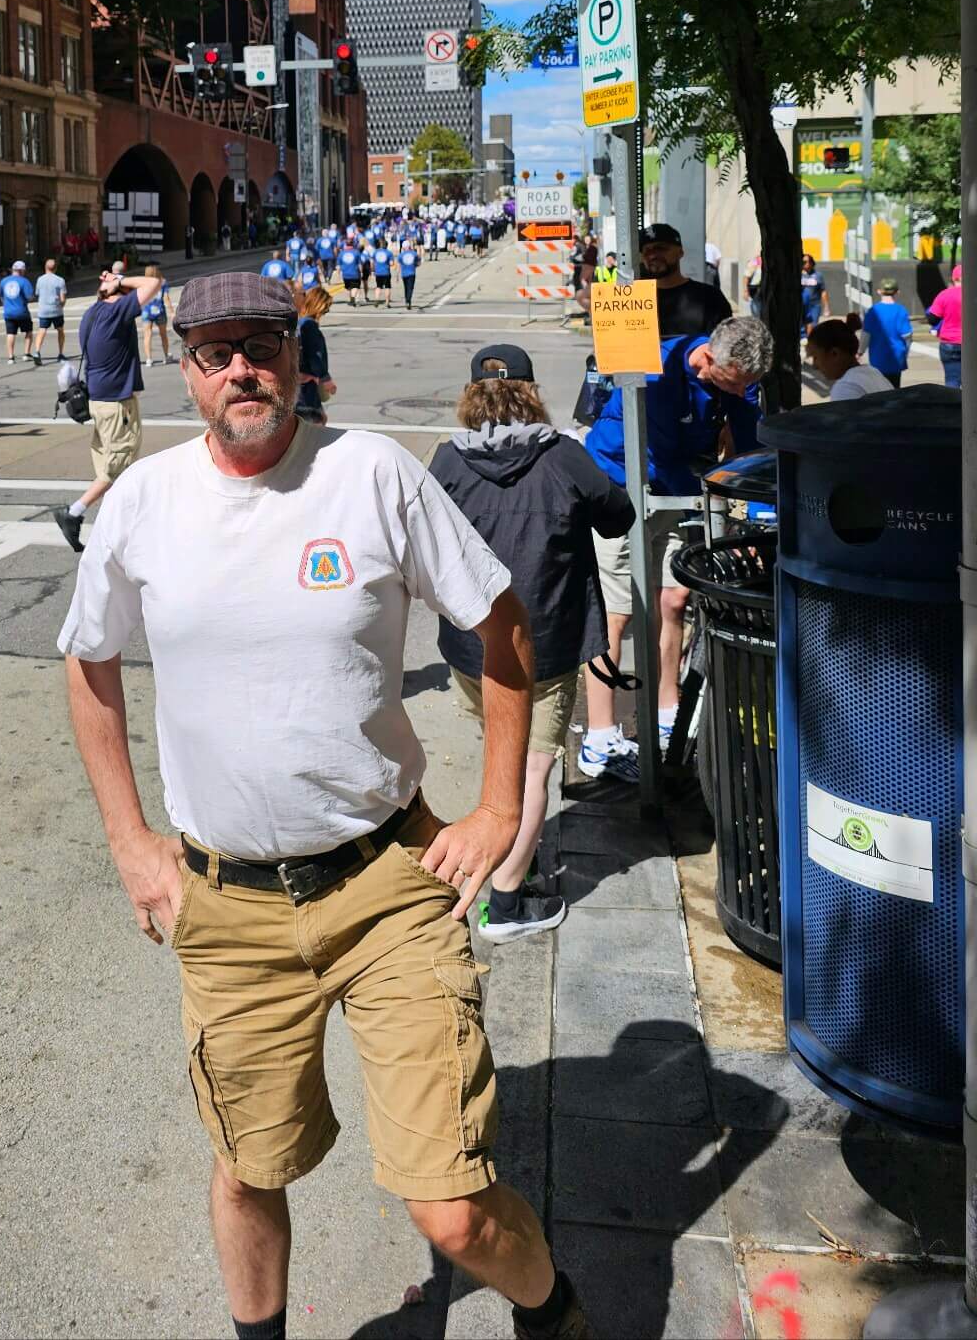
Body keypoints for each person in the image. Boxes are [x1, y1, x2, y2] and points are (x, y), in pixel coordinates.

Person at [59, 270, 590, 1340]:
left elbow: (502, 623)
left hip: (388, 882)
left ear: (298, 357)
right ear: (186, 371)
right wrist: (129, 838)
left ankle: (557, 1311)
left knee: (450, 1209)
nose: (241, 367)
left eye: (261, 344)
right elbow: (88, 661)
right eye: (215, 352)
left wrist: (495, 810)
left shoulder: (371, 474)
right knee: (249, 1168)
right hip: (230, 905)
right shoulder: (142, 503)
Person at [429, 347, 633, 942]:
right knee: (532, 770)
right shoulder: (563, 456)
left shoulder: (445, 461)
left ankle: (505, 851)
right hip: (545, 639)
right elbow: (617, 515)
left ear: (471, 398)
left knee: (501, 751)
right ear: (531, 391)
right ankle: (507, 899)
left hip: (473, 643)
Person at [581, 316, 773, 781]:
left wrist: (755, 497)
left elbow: (748, 438)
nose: (737, 392)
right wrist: (713, 492)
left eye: (746, 385)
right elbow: (658, 455)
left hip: (677, 488)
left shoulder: (738, 375)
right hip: (621, 484)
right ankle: (600, 733)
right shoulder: (657, 368)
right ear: (708, 357)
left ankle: (668, 704)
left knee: (676, 597)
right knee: (617, 610)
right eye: (732, 384)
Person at [52, 263, 164, 553]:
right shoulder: (116, 312)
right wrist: (120, 280)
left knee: (110, 467)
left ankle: (119, 527)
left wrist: (112, 285)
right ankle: (74, 512)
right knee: (118, 469)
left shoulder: (92, 314)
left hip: (99, 401)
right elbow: (154, 284)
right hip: (117, 404)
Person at [637, 224, 732, 340]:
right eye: (646, 251)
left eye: (660, 248)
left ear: (680, 252)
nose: (652, 255)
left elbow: (725, 348)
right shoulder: (632, 300)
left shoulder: (710, 298)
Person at [807, 317, 895, 400]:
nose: (814, 366)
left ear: (835, 354)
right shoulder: (873, 372)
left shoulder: (846, 388)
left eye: (815, 357)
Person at [294, 281, 336, 424]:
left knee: (314, 419)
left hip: (303, 379)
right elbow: (314, 354)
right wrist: (325, 378)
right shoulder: (309, 325)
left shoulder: (300, 323)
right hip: (308, 381)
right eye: (326, 308)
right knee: (316, 420)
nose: (326, 312)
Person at [861, 278, 912, 386]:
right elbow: (907, 335)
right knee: (895, 389)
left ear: (879, 291)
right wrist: (905, 353)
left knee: (879, 389)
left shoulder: (873, 311)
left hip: (877, 359)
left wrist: (860, 351)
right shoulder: (901, 310)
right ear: (897, 292)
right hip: (896, 358)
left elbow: (866, 335)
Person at [928, 263, 964, 387]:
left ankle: (953, 405)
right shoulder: (976, 295)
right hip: (971, 344)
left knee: (952, 380)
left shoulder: (944, 295)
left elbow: (932, 319)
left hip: (948, 343)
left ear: (954, 279)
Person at [0, 260, 36, 365]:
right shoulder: (24, 281)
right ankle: (26, 354)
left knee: (10, 333)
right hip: (22, 312)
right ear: (22, 270)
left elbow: (1, 295)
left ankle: (11, 357)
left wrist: (5, 304)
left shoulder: (4, 281)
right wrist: (31, 298)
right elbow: (29, 297)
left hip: (8, 312)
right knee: (28, 331)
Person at [33, 257, 68, 362]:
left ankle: (37, 351)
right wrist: (61, 305)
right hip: (56, 309)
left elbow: (37, 294)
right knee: (60, 330)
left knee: (42, 330)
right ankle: (60, 353)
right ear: (56, 268)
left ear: (45, 267)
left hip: (43, 310)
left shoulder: (40, 279)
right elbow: (62, 298)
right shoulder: (60, 280)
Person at [139, 264, 172, 368]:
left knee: (147, 336)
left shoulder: (143, 283)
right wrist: (171, 310)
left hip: (147, 311)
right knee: (163, 335)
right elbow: (166, 298)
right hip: (160, 311)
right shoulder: (163, 282)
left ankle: (149, 359)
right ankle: (166, 356)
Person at [799, 252, 828, 332]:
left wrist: (826, 307)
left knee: (813, 324)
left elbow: (823, 291)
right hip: (802, 304)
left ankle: (810, 341)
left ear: (812, 263)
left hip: (814, 304)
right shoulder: (798, 275)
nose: (806, 264)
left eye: (808, 261)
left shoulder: (818, 275)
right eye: (804, 262)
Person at [338, 238, 364, 305]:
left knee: (347, 288)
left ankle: (350, 300)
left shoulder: (341, 253)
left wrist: (339, 274)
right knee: (355, 287)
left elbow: (338, 266)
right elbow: (359, 264)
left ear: (346, 244)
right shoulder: (356, 252)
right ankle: (352, 298)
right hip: (355, 273)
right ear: (353, 244)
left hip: (345, 274)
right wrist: (361, 272)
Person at [371, 238, 395, 307]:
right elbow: (391, 263)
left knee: (378, 286)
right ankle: (387, 302)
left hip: (378, 272)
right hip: (386, 272)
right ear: (387, 246)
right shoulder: (389, 253)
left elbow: (372, 262)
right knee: (387, 287)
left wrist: (373, 270)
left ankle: (377, 300)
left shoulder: (375, 252)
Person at [399, 234, 421, 310]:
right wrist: (415, 265)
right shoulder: (414, 254)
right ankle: (409, 300)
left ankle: (406, 300)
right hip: (411, 273)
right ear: (409, 246)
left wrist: (397, 275)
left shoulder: (401, 255)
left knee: (406, 288)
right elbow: (419, 262)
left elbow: (399, 265)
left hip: (404, 273)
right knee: (410, 288)